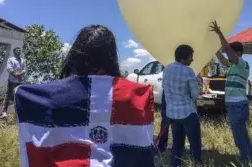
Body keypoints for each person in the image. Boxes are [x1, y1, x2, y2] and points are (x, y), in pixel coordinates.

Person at [14, 25, 155, 167]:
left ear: (77, 55)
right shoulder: (137, 95)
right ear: (112, 56)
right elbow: (142, 148)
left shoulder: (54, 96)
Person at [210, 21, 252, 165]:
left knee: (239, 136)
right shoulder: (233, 65)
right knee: (241, 135)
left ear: (238, 53)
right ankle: (248, 159)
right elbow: (222, 58)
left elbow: (227, 50)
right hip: (234, 105)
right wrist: (212, 48)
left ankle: (246, 162)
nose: (228, 56)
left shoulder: (242, 64)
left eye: (232, 53)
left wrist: (219, 33)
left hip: (238, 105)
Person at [163, 44, 202, 167]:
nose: (192, 59)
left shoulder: (167, 69)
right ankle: (196, 163)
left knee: (176, 144)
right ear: (183, 57)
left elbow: (165, 88)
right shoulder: (188, 72)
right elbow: (195, 95)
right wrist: (199, 85)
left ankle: (175, 164)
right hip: (187, 113)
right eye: (191, 56)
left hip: (172, 114)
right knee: (195, 143)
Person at [1, 47, 26, 117]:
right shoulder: (11, 59)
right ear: (14, 52)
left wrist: (21, 74)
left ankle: (17, 111)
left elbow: (24, 69)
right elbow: (9, 68)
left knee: (19, 95)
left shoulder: (23, 60)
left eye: (19, 50)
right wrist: (15, 74)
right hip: (11, 80)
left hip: (19, 81)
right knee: (8, 95)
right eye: (17, 50)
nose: (18, 51)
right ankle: (4, 111)